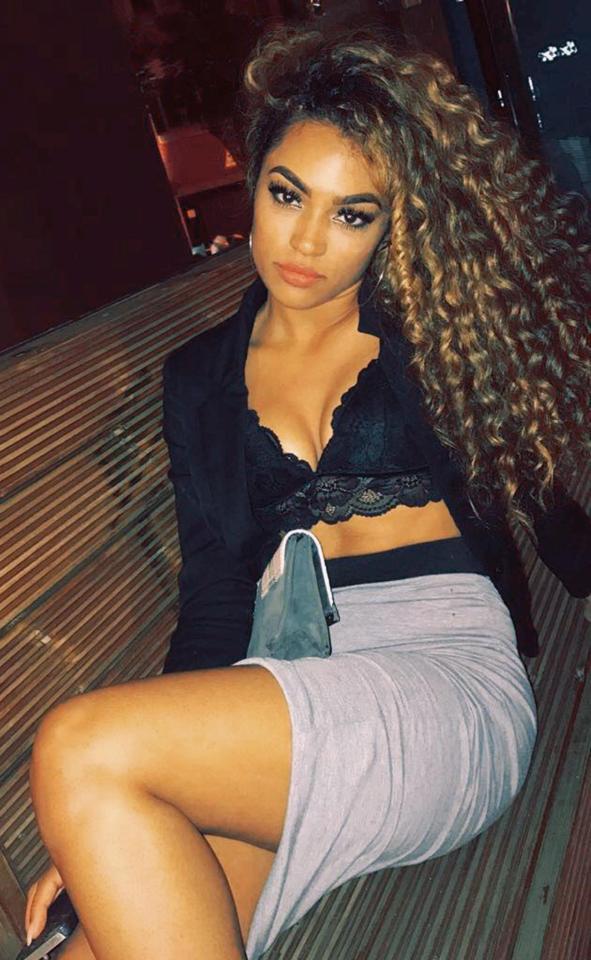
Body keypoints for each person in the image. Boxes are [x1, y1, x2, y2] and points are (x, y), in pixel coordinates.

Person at [24, 25, 591, 960]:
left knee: (78, 745)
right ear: (251, 183)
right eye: (288, 195)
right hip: (280, 687)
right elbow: (215, 597)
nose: (308, 241)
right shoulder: (198, 378)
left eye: (352, 214)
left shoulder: (430, 328)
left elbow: (537, 498)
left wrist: (101, 773)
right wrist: (104, 809)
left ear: (389, 225)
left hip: (440, 680)